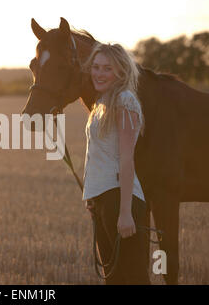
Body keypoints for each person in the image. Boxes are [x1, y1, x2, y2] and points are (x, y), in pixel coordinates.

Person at [82, 43, 150, 284]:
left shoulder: (124, 100)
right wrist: (92, 197)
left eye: (107, 69)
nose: (99, 73)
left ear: (120, 72)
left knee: (134, 278)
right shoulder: (102, 104)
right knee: (114, 279)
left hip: (120, 199)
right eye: (96, 67)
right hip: (103, 198)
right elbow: (97, 156)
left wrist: (125, 213)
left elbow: (127, 157)